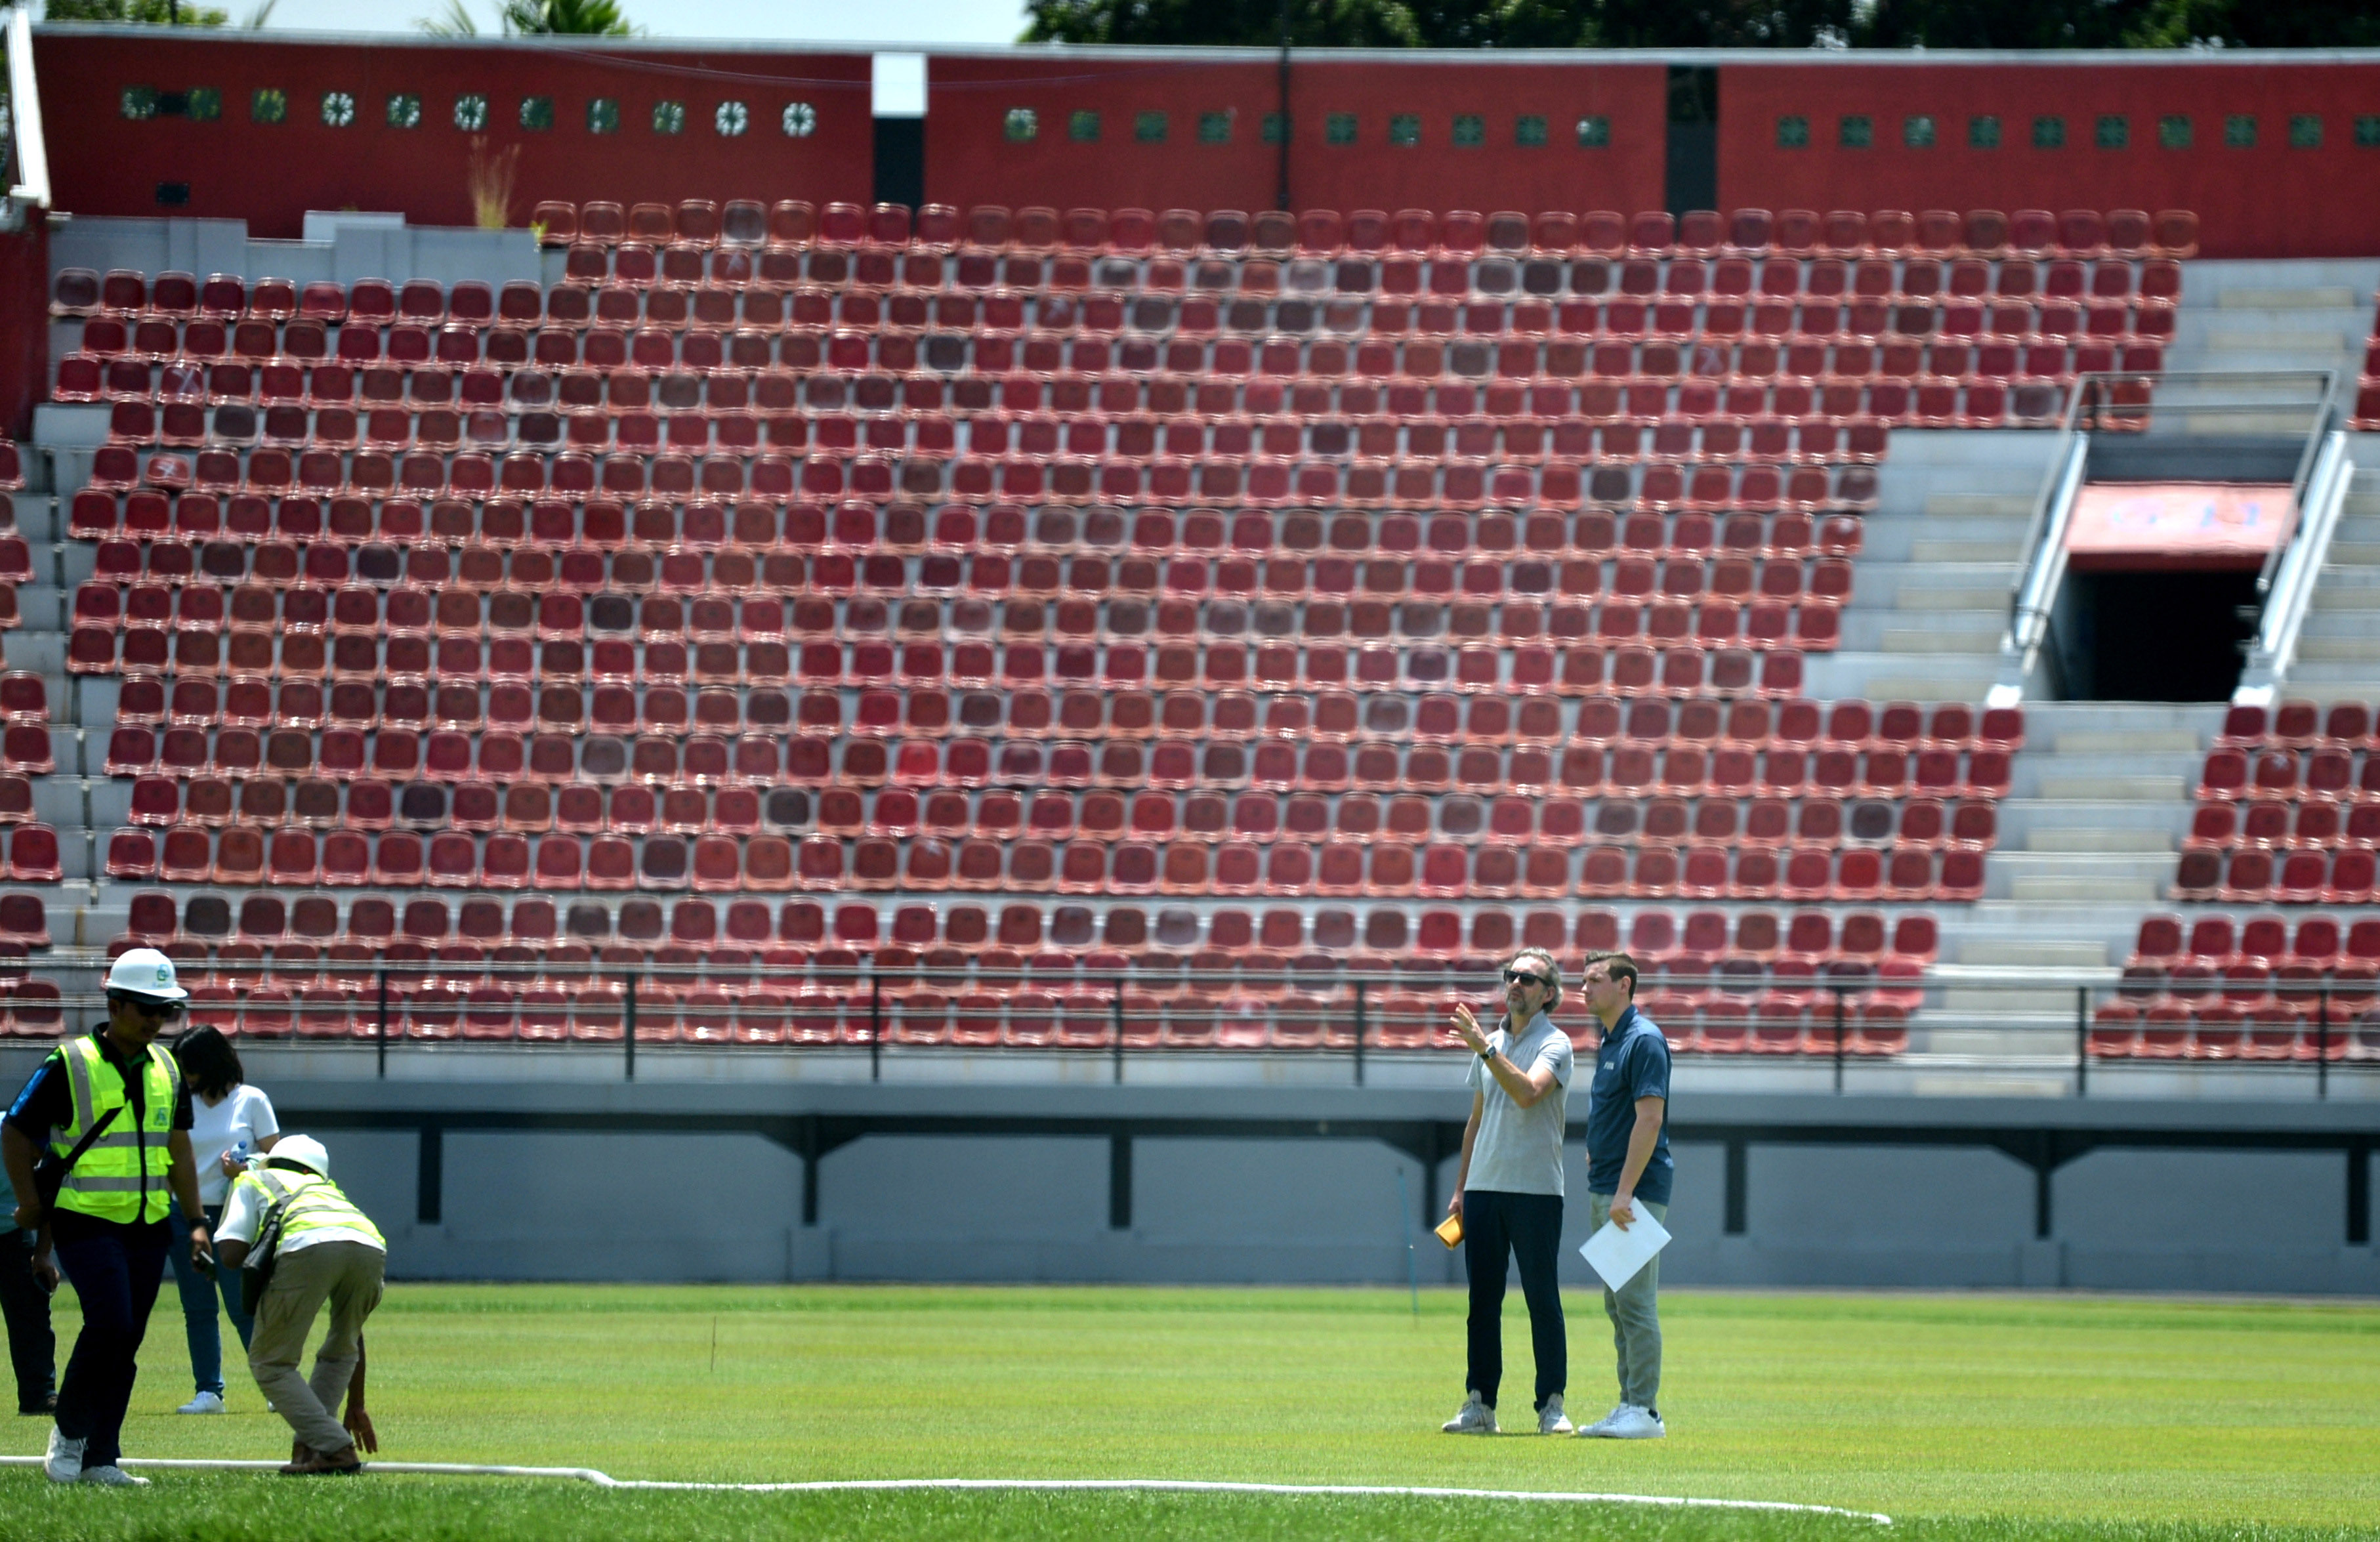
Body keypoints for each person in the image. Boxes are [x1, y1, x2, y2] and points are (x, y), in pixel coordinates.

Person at [0, 948, 211, 1487]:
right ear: (114, 1005)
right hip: (84, 1219)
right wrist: (27, 1204)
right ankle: (68, 1437)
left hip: (148, 1224)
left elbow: (179, 1150)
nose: (156, 1021)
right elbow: (16, 1131)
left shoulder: (166, 1067)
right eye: (146, 1008)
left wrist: (194, 1220)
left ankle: (101, 1458)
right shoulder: (70, 1062)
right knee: (111, 1324)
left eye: (164, 1011)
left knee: (128, 1340)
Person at [1440, 948, 1576, 1436]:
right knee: (1483, 1302)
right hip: (1483, 1189)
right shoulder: (1492, 1040)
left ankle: (1552, 1406)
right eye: (1510, 975)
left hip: (1536, 1190)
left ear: (1547, 995)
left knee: (1542, 1298)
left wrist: (1485, 1049)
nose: (1515, 983)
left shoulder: (1555, 1044)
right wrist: (1460, 1189)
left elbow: (1527, 1094)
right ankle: (1479, 1403)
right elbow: (1476, 1121)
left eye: (1527, 978)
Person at [215, 1133, 383, 1476]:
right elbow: (355, 1337)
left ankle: (335, 1448)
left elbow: (231, 1254)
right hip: (370, 1245)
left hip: (307, 1246)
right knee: (341, 1349)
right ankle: (311, 1447)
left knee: (270, 1363)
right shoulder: (330, 1193)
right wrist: (357, 1403)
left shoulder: (253, 1179)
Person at [1573, 951, 1674, 1440]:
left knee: (1634, 1302)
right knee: (1617, 1303)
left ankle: (1645, 1410)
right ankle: (1627, 1403)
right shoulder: (1610, 1041)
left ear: (1624, 985)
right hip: (1608, 1186)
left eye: (1594, 980)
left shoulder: (1643, 1041)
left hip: (1630, 1192)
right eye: (1583, 980)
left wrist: (1625, 1191)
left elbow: (1649, 1118)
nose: (1584, 988)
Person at [165, 1024, 278, 1415]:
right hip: (184, 1213)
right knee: (197, 1307)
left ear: (211, 1063)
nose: (183, 1074)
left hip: (235, 1213)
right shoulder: (179, 1099)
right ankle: (209, 1392)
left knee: (241, 1306)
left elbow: (280, 1160)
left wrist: (245, 1169)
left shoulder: (252, 1100)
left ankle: (276, 1387)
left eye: (189, 1066)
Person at [0, 1141, 56, 1416]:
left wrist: (43, 1254)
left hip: (12, 1230)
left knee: (31, 1312)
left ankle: (39, 1396)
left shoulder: (50, 1152)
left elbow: (49, 1200)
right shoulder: (12, 1143)